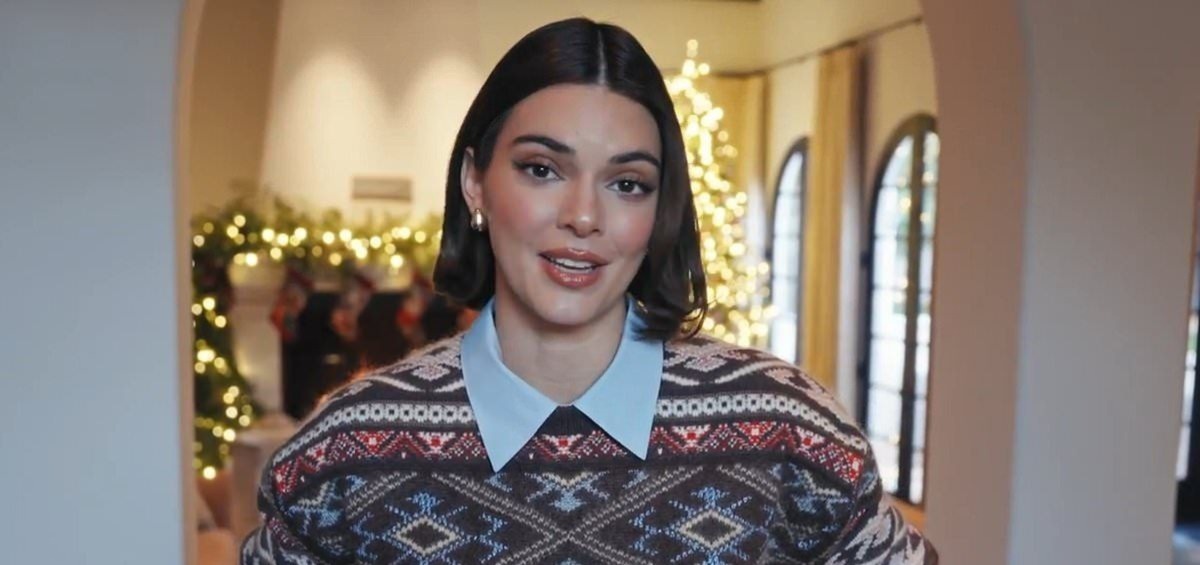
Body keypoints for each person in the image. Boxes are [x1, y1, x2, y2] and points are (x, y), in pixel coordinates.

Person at [241, 17, 937, 564]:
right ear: (475, 182)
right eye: (543, 168)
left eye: (626, 182)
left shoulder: (786, 427)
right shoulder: (348, 447)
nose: (583, 216)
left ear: (657, 211)